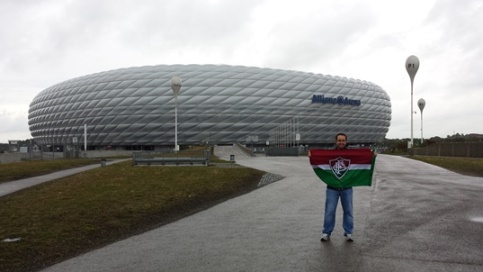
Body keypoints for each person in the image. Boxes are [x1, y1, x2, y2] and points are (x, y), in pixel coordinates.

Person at [320, 132, 354, 242]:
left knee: (348, 211)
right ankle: (326, 232)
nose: (341, 142)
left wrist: (372, 156)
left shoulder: (352, 154)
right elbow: (319, 161)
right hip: (332, 188)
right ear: (336, 141)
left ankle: (348, 232)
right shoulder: (330, 153)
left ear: (346, 141)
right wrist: (312, 156)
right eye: (339, 140)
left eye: (343, 140)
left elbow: (364, 160)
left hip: (347, 187)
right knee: (330, 211)